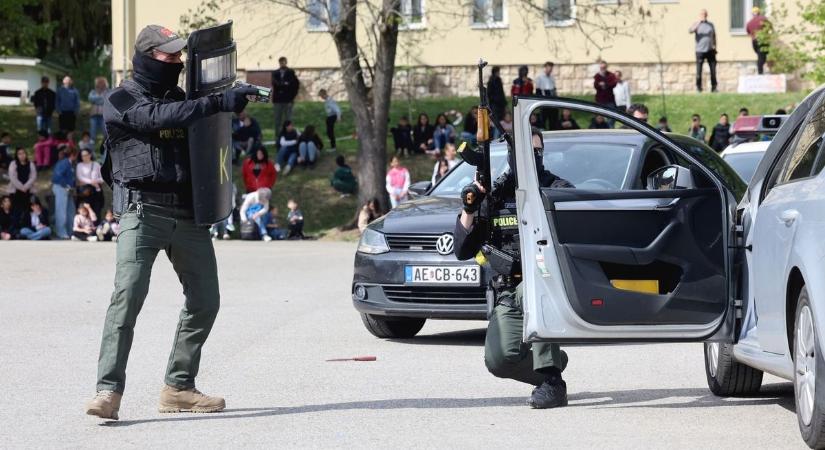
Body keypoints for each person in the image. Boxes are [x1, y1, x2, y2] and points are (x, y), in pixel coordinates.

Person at [85, 24, 256, 420]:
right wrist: (217, 103)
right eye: (169, 55)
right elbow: (157, 117)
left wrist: (228, 103)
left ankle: (178, 386)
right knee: (127, 298)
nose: (178, 61)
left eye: (181, 55)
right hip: (142, 211)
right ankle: (107, 391)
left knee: (205, 300)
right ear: (147, 56)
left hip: (187, 214)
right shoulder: (121, 98)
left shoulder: (185, 99)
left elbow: (206, 132)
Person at [455, 128, 571, 409]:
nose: (532, 157)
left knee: (538, 288)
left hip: (543, 283)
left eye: (537, 151)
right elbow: (462, 250)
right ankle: (554, 361)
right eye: (524, 152)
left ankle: (553, 383)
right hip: (506, 287)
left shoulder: (557, 189)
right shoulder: (494, 196)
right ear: (511, 155)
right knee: (499, 361)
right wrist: (470, 208)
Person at [689, 9, 718, 93]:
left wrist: (715, 47)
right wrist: (699, 22)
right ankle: (698, 88)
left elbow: (714, 36)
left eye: (705, 14)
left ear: (707, 15)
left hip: (710, 50)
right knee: (699, 70)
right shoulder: (696, 24)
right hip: (700, 51)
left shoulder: (710, 25)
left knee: (713, 70)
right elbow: (690, 31)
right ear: (700, 15)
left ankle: (714, 87)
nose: (704, 16)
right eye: (702, 14)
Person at [271, 56, 299, 133]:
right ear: (279, 63)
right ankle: (278, 138)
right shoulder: (275, 73)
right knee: (277, 120)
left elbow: (295, 85)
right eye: (281, 62)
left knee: (288, 120)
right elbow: (275, 84)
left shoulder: (291, 72)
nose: (282, 64)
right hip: (278, 100)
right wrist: (285, 85)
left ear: (286, 62)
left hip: (288, 100)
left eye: (283, 62)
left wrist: (292, 97)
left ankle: (288, 136)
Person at [75, 148, 104, 218]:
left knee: (97, 209)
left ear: (90, 155)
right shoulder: (79, 165)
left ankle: (97, 226)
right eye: (82, 155)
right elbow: (80, 177)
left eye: (86, 155)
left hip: (97, 191)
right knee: (85, 211)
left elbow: (102, 178)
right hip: (85, 192)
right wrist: (91, 182)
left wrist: (96, 181)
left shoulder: (96, 164)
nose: (84, 157)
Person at [7, 148, 36, 216]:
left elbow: (33, 176)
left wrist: (26, 186)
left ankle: (27, 223)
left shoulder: (31, 164)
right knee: (15, 209)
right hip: (16, 189)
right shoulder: (13, 164)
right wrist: (21, 187)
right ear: (16, 155)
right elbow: (12, 177)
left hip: (27, 189)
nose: (22, 155)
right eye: (19, 154)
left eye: (23, 153)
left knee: (27, 208)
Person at [535, 62, 558, 130]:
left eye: (551, 68)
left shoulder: (552, 77)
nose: (550, 70)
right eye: (549, 68)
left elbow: (554, 89)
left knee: (553, 120)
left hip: (552, 99)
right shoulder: (540, 78)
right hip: (544, 99)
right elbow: (538, 91)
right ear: (545, 68)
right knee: (543, 119)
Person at [747, 7, 769, 75]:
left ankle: (760, 70)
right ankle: (760, 72)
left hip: (754, 41)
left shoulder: (749, 22)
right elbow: (769, 27)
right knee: (762, 57)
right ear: (759, 12)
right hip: (762, 40)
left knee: (760, 56)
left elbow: (748, 32)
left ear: (752, 14)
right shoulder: (763, 19)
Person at [88, 77, 110, 143]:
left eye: (102, 82)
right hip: (93, 115)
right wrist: (101, 98)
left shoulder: (108, 91)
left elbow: (106, 100)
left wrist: (97, 100)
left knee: (105, 132)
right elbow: (90, 99)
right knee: (92, 131)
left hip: (104, 115)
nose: (100, 84)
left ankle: (106, 148)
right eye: (99, 83)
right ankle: (91, 149)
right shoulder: (93, 91)